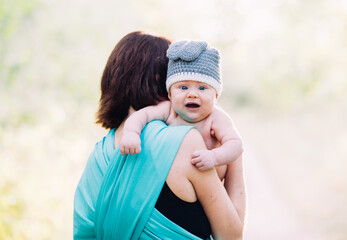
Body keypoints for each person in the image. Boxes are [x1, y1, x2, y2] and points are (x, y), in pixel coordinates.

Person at [73, 31, 246, 240]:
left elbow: (84, 232)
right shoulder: (183, 142)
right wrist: (234, 157)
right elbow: (231, 235)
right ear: (163, 82)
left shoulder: (99, 154)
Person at [120, 40, 243, 171]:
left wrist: (214, 157)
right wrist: (131, 133)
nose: (192, 94)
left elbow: (236, 144)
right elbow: (142, 115)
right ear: (170, 94)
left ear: (216, 96)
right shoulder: (169, 110)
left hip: (208, 183)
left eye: (202, 88)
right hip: (176, 183)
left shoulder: (216, 118)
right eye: (183, 87)